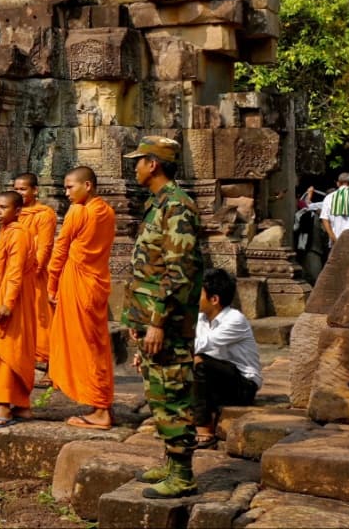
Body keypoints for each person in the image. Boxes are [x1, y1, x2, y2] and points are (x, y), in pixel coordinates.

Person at [122, 136, 204, 499]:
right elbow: (148, 267)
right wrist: (137, 320)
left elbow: (178, 270)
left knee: (173, 392)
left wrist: (156, 321)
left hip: (168, 323)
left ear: (153, 164)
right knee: (158, 391)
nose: (134, 166)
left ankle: (183, 474)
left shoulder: (177, 206)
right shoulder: (157, 204)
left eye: (138, 161)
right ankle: (170, 462)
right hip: (150, 319)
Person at [47, 167, 118, 430]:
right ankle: (103, 404)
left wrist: (51, 285)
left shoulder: (79, 211)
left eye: (70, 187)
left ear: (87, 185)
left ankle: (101, 411)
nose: (66, 193)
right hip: (97, 284)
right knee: (96, 344)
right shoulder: (108, 212)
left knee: (84, 347)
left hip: (77, 283)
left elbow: (60, 248)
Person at [0, 191, 39, 430]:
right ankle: (21, 405)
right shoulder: (6, 232)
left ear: (18, 211)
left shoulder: (19, 234)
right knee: (9, 350)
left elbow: (14, 271)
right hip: (4, 295)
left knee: (5, 352)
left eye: (4, 207)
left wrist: (7, 303)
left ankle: (4, 406)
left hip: (12, 300)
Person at [193, 268, 261, 450]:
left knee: (199, 362)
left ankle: (204, 431)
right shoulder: (201, 318)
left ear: (214, 299)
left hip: (243, 385)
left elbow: (200, 345)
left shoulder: (234, 320)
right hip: (219, 377)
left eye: (198, 294)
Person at [13, 173, 56, 370]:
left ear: (35, 190)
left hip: (36, 273)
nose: (19, 193)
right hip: (16, 272)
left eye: (23, 189)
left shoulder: (44, 214)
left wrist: (34, 270)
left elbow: (45, 245)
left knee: (41, 316)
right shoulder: (13, 213)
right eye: (16, 189)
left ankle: (47, 362)